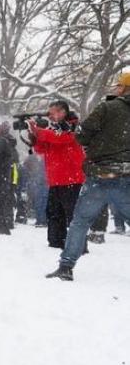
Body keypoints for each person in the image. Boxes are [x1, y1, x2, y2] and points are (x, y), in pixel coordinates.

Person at [46, 72, 130, 281]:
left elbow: (82, 135)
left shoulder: (108, 107)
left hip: (100, 174)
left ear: (123, 88)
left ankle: (66, 267)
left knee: (80, 222)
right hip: (126, 174)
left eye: (118, 86)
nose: (116, 89)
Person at [28, 101, 86, 248]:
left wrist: (39, 131)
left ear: (63, 112)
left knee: (73, 215)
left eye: (53, 112)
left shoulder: (74, 125)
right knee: (54, 213)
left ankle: (78, 245)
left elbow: (62, 138)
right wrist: (33, 136)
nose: (50, 116)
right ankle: (55, 242)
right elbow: (42, 149)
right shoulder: (52, 129)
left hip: (72, 179)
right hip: (55, 180)